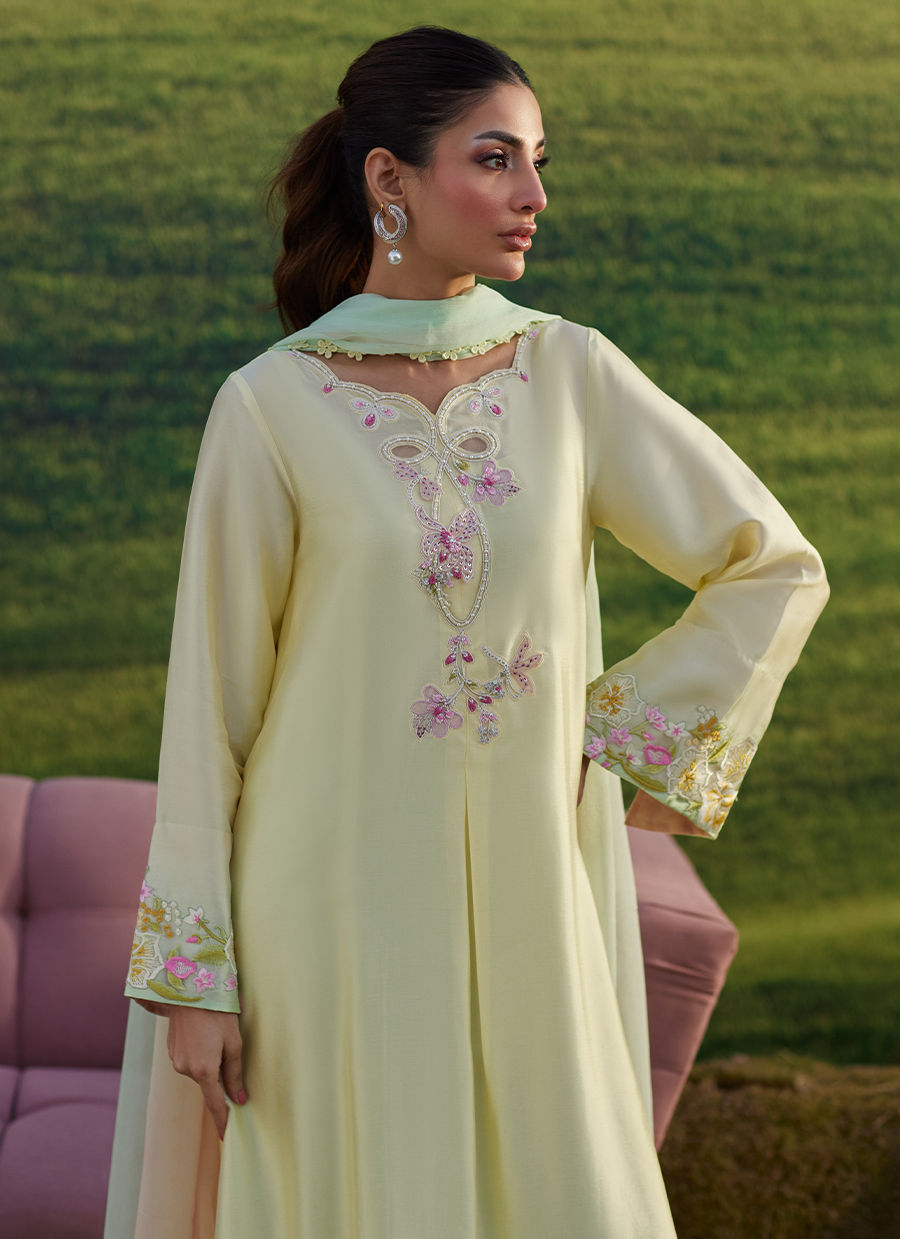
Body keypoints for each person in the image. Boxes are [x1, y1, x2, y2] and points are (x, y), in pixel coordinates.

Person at [104, 25, 829, 1239]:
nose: (534, 195)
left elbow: (773, 564)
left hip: (530, 884)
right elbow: (210, 712)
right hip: (321, 912)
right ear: (390, 178)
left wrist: (629, 731)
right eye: (496, 159)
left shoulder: (572, 377)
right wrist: (196, 977)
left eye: (539, 161)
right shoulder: (271, 407)